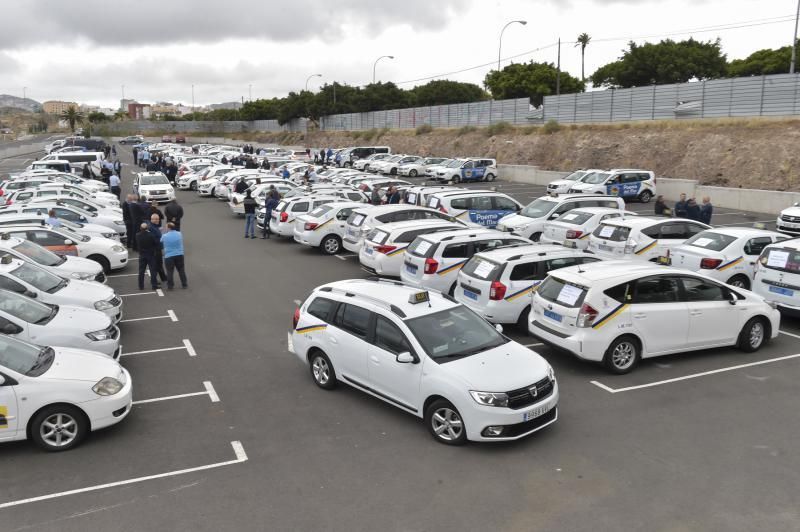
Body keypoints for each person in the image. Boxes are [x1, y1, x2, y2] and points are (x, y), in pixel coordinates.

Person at [161, 223, 188, 289]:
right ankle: (184, 284)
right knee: (181, 270)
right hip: (179, 254)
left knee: (170, 271)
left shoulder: (164, 236)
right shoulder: (179, 234)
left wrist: (161, 232)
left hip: (169, 256)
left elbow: (161, 241)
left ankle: (170, 286)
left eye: (167, 227)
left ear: (169, 228)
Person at [136, 223, 160, 290]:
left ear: (140, 228)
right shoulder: (151, 235)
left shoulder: (137, 235)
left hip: (142, 255)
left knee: (141, 271)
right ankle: (154, 285)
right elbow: (156, 243)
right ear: (147, 228)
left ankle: (141, 286)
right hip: (150, 255)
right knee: (153, 271)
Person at [148, 213, 168, 282]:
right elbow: (154, 240)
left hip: (157, 249)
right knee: (156, 266)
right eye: (156, 219)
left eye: (158, 219)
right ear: (152, 219)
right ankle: (154, 281)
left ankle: (163, 278)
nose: (157, 220)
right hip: (155, 250)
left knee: (159, 264)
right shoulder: (151, 228)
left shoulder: (154, 226)